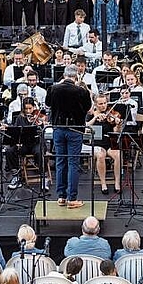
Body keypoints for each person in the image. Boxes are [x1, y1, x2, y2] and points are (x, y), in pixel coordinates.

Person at [45, 64, 92, 208]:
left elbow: (48, 104)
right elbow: (88, 108)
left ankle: (61, 197)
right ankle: (72, 198)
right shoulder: (81, 91)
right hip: (75, 130)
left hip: (58, 129)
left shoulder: (53, 89)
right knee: (73, 163)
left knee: (60, 162)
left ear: (64, 75)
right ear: (76, 75)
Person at [85, 93, 122, 194]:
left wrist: (118, 125)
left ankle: (117, 183)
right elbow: (86, 127)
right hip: (96, 142)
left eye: (105, 103)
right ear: (96, 104)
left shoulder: (111, 114)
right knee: (101, 155)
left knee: (118, 155)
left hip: (108, 142)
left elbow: (115, 132)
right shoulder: (91, 114)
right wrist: (95, 119)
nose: (103, 106)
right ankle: (103, 183)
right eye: (100, 104)